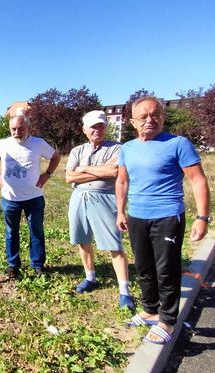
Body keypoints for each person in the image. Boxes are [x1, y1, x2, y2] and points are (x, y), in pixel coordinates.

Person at [116, 96, 210, 345]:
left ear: (163, 117)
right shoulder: (127, 148)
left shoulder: (178, 144)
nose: (150, 120)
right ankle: (150, 309)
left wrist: (202, 217)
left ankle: (167, 321)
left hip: (167, 216)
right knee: (144, 267)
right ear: (133, 121)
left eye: (155, 115)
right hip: (137, 215)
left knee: (166, 270)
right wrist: (120, 211)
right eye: (144, 116)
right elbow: (122, 181)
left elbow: (197, 179)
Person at [65, 110, 135, 310]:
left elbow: (114, 172)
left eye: (101, 125)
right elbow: (69, 177)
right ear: (84, 129)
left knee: (114, 243)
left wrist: (83, 169)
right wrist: (98, 171)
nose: (97, 129)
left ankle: (124, 292)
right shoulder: (77, 151)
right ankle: (90, 277)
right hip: (79, 198)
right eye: (93, 126)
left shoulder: (118, 149)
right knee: (82, 240)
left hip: (106, 198)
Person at [0, 113, 61, 279]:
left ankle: (37, 265)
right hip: (10, 199)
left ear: (29, 128)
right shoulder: (3, 144)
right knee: (11, 232)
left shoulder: (38, 144)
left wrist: (47, 174)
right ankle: (13, 265)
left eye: (21, 128)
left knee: (36, 231)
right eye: (13, 129)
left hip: (34, 198)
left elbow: (55, 157)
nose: (17, 132)